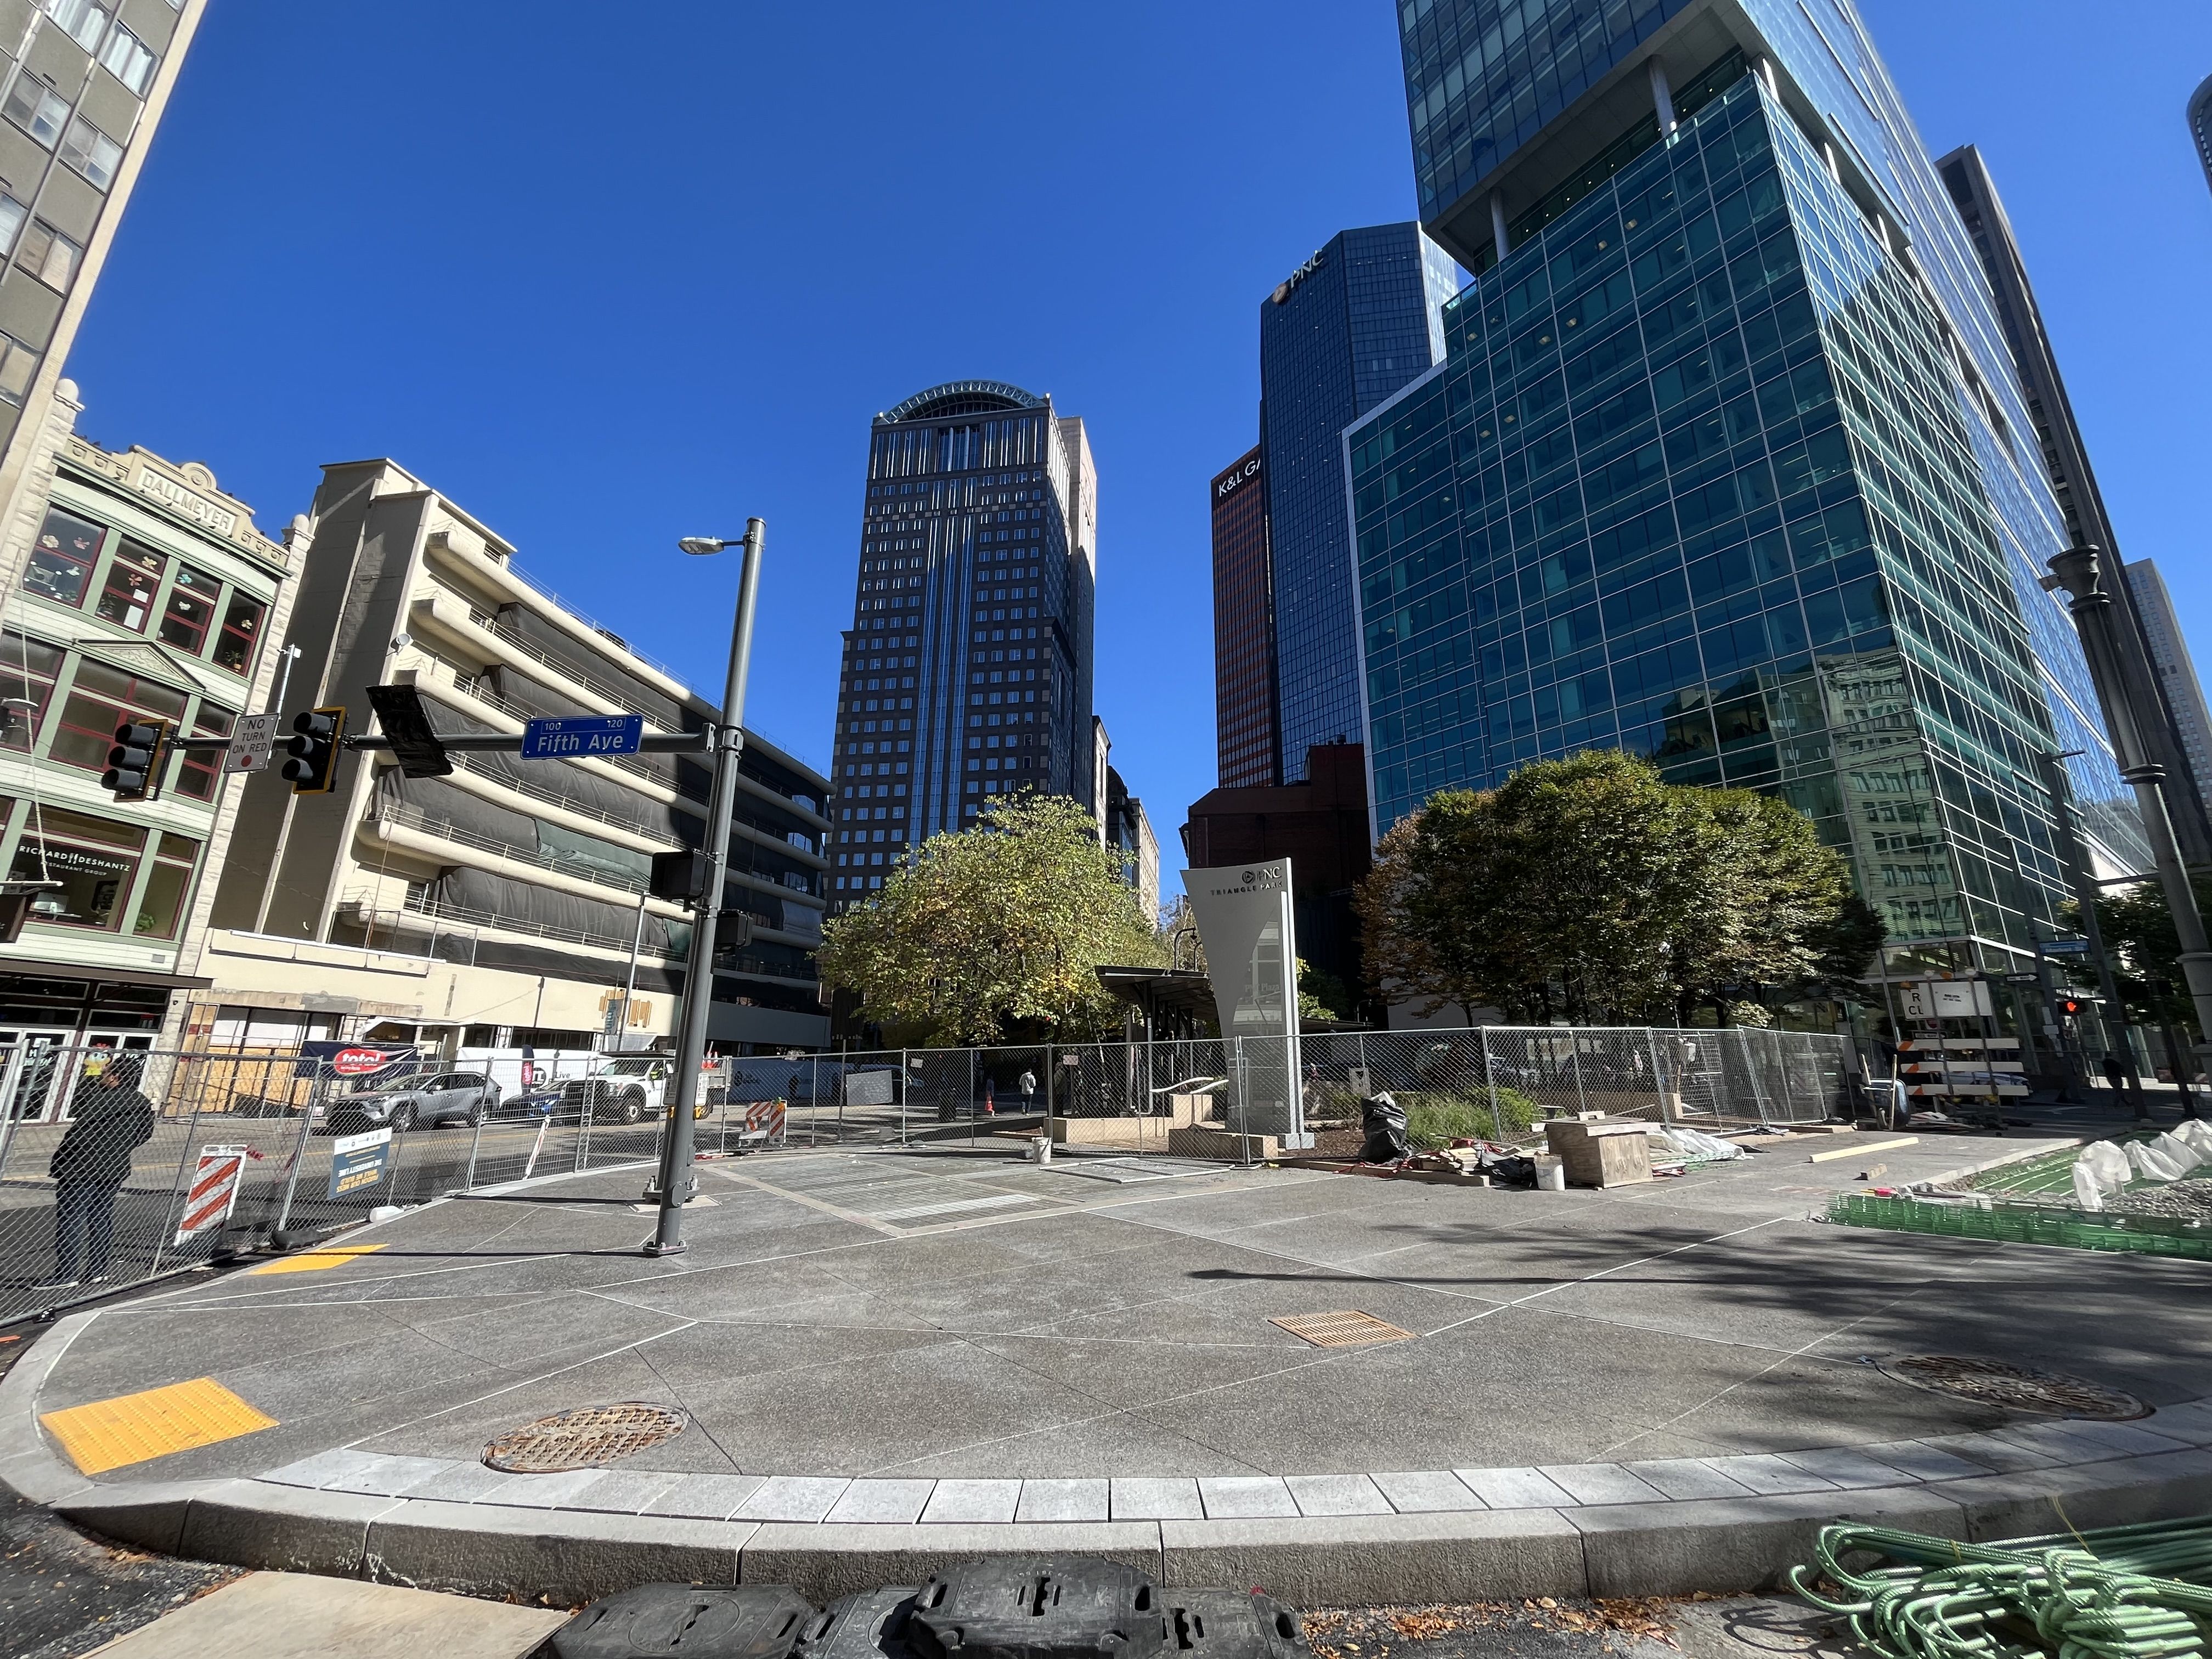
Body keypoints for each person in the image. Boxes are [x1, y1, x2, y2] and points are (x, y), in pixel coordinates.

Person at [39, 1053, 155, 1290]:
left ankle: (66, 1273)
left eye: (105, 1073)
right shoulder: (140, 1101)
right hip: (114, 1166)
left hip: (81, 1167)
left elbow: (78, 1132)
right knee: (101, 1216)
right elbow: (145, 1133)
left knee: (71, 1218)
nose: (101, 1077)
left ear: (116, 1077)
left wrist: (65, 1157)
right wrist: (121, 1146)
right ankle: (97, 1270)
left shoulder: (103, 1100)